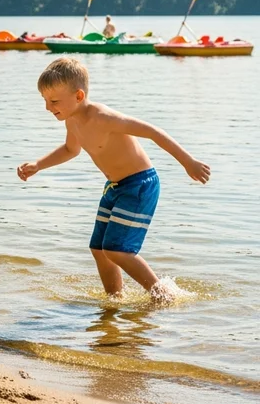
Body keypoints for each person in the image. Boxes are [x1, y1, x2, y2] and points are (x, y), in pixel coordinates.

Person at [16, 57, 210, 301]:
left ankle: (163, 295)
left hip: (139, 185)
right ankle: (114, 300)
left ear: (78, 96)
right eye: (44, 100)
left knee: (117, 249)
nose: (47, 107)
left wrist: (187, 161)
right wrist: (38, 165)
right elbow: (70, 150)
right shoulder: (72, 120)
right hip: (114, 187)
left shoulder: (103, 117)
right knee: (99, 249)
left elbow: (151, 132)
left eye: (53, 101)